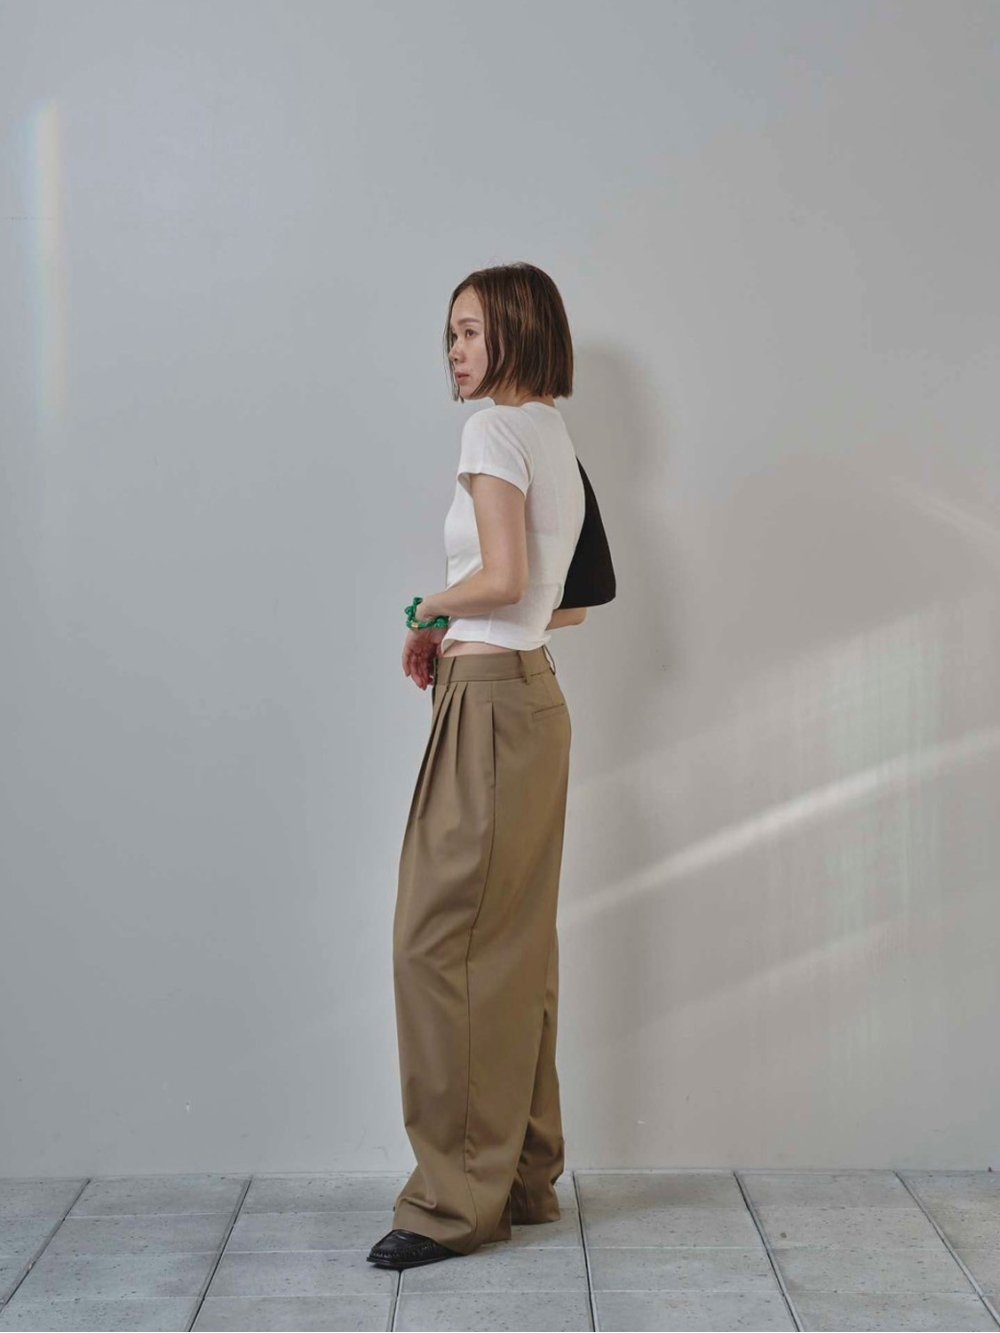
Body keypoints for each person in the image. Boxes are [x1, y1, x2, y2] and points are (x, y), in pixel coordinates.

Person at [368, 262, 597, 1271]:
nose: (453, 350)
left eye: (468, 330)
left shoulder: (496, 432)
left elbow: (503, 577)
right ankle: (522, 1177)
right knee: (512, 946)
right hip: (531, 695)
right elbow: (566, 601)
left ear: (513, 329)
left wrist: (429, 609)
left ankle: (453, 1206)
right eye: (450, 333)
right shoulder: (555, 436)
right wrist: (473, 624)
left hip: (491, 705)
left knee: (438, 944)